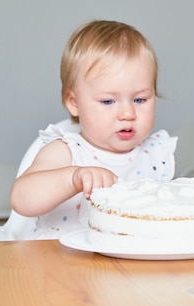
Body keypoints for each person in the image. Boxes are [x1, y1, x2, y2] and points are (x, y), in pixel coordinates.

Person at [10, 20, 176, 239]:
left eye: (139, 99)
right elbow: (21, 199)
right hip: (62, 264)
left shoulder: (155, 156)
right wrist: (73, 179)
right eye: (108, 101)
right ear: (74, 103)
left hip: (131, 266)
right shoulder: (67, 152)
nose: (127, 113)